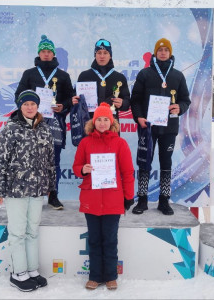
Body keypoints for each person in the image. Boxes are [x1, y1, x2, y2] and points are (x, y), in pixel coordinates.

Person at [0, 90, 55, 292]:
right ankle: (18, 273)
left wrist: (51, 186)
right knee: (18, 232)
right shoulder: (10, 129)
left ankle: (31, 269)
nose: (30, 107)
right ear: (20, 106)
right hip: (15, 189)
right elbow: (0, 160)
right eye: (26, 104)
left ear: (38, 107)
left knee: (32, 231)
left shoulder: (45, 129)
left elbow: (50, 161)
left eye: (33, 104)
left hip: (37, 190)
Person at [72, 103, 135, 290]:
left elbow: (128, 172)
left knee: (110, 239)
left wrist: (128, 197)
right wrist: (83, 169)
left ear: (112, 121)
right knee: (94, 239)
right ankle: (95, 276)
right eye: (98, 119)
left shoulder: (120, 143)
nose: (102, 123)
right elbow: (76, 167)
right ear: (93, 121)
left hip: (113, 200)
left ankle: (110, 276)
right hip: (91, 199)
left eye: (105, 119)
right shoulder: (85, 142)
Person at [130, 38, 191, 216]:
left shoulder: (178, 76)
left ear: (170, 53)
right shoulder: (145, 74)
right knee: (144, 162)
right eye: (160, 50)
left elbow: (185, 100)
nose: (163, 52)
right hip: (147, 127)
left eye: (166, 50)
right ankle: (142, 199)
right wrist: (139, 117)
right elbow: (136, 100)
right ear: (155, 53)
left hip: (169, 128)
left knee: (166, 163)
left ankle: (164, 200)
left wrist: (180, 107)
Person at [15, 35, 74, 210]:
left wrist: (63, 106)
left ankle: (54, 195)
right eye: (43, 51)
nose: (46, 54)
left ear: (53, 54)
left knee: (54, 160)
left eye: (49, 51)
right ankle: (35, 195)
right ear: (39, 53)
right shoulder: (29, 74)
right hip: (34, 123)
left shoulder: (63, 75)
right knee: (32, 158)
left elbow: (71, 98)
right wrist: (30, 108)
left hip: (55, 123)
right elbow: (18, 95)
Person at [72, 38, 131, 123]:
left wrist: (122, 103)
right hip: (89, 122)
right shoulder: (84, 76)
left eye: (105, 53)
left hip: (111, 124)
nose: (102, 56)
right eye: (99, 53)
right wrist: (74, 100)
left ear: (110, 55)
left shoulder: (119, 78)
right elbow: (75, 97)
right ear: (95, 55)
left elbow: (127, 101)